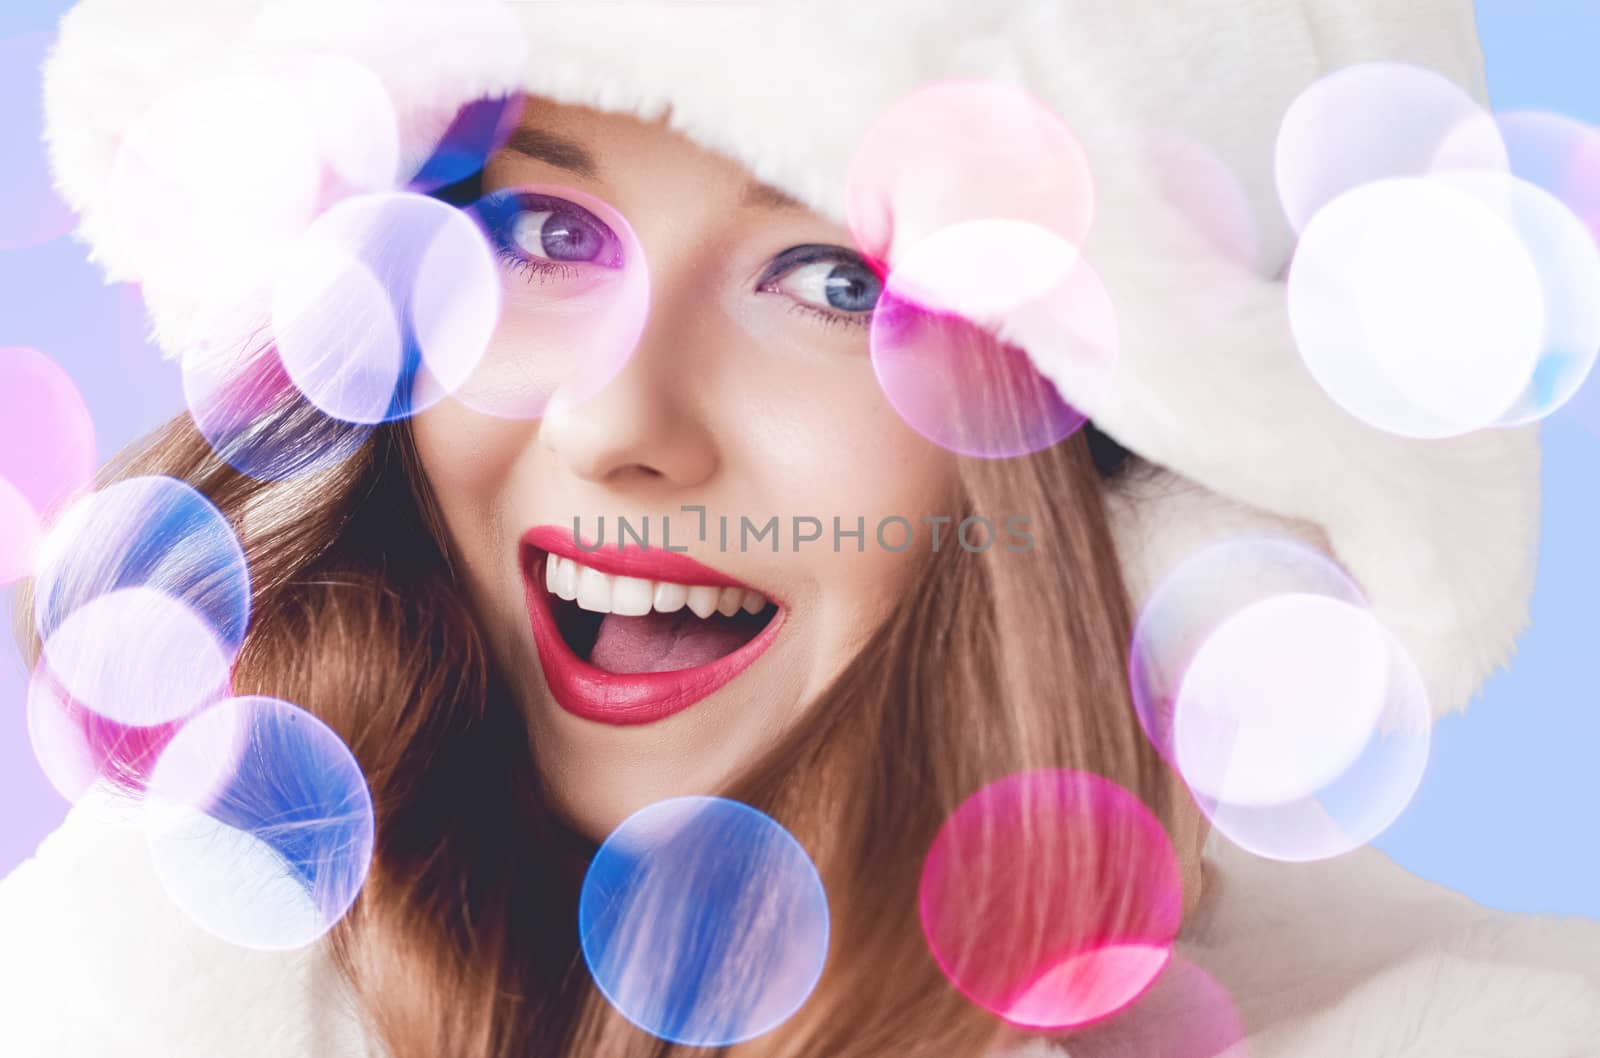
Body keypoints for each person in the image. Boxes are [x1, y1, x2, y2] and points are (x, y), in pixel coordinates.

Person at [3, 1, 1596, 1056]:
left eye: (835, 281)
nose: (617, 422)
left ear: (1129, 450)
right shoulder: (113, 991)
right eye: (548, 230)